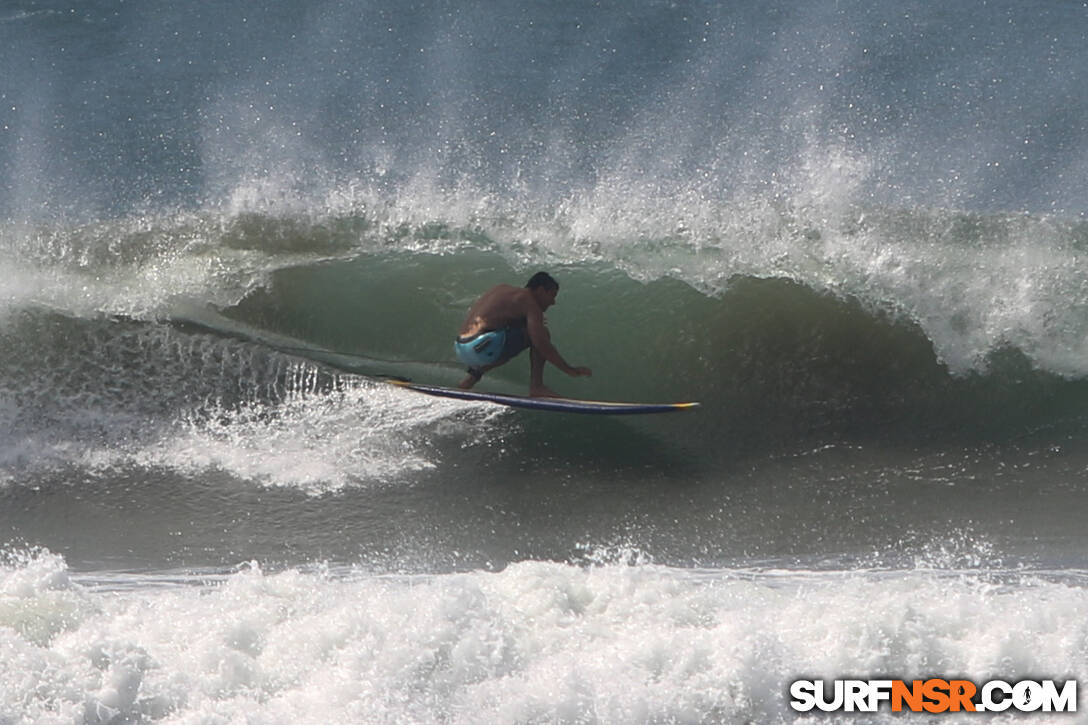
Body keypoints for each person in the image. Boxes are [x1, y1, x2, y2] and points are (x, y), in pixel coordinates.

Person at [454, 272, 592, 397]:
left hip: (462, 347)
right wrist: (569, 370)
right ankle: (537, 387)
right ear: (541, 290)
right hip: (481, 348)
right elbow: (541, 344)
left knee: (511, 339)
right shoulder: (529, 302)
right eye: (552, 295)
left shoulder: (503, 290)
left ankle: (468, 381)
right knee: (540, 334)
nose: (553, 302)